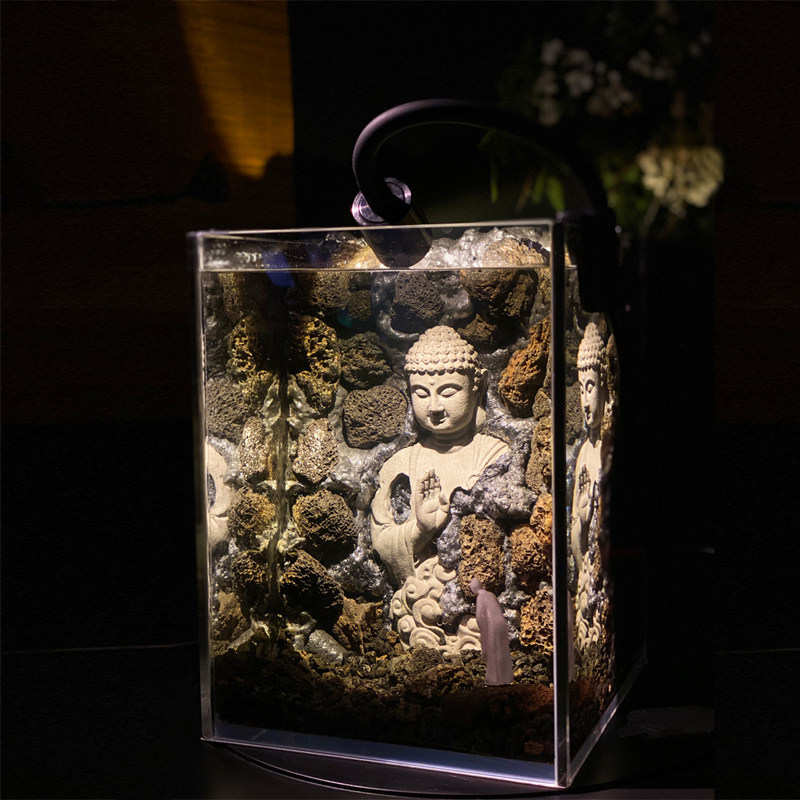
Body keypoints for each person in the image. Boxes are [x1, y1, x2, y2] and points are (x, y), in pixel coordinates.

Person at [371, 326, 509, 588]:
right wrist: (421, 529)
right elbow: (382, 543)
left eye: (447, 392)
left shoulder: (495, 456)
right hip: (416, 596)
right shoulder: (400, 463)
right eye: (421, 394)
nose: (434, 407)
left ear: (478, 387)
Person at [570, 322, 608, 568]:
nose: (585, 402)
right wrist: (582, 518)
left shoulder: (610, 446)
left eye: (590, 388)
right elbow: (575, 525)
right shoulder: (585, 451)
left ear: (604, 384)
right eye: (581, 390)